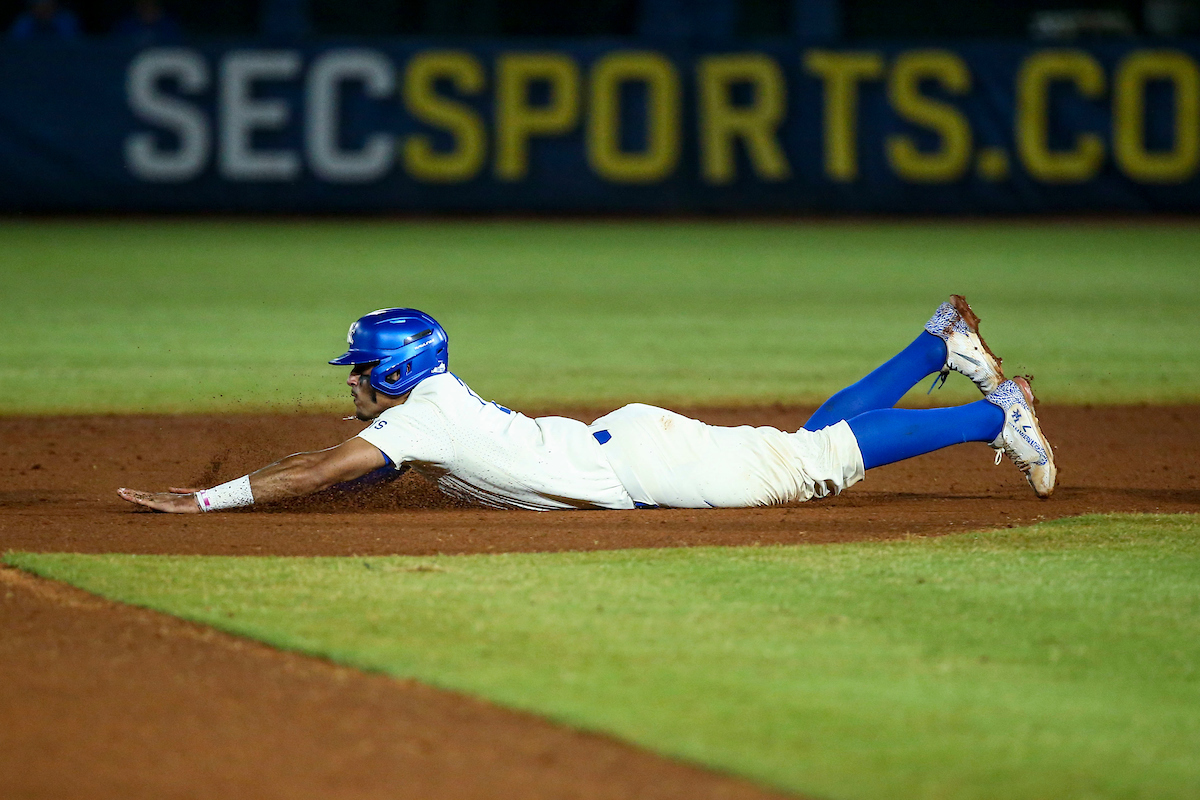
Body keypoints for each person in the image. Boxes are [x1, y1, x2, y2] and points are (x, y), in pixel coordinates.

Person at [117, 296, 1056, 514]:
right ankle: (939, 345)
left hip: (644, 462)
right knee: (809, 442)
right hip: (627, 446)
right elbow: (328, 465)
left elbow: (316, 472)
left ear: (396, 374)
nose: (350, 382)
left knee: (815, 460)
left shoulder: (415, 422)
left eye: (361, 369)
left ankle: (994, 410)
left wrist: (205, 501)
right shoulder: (424, 407)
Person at [7, 0, 80, 40]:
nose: (44, 10)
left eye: (48, 6)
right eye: (39, 7)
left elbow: (72, 43)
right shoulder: (23, 22)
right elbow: (17, 43)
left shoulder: (66, 20)